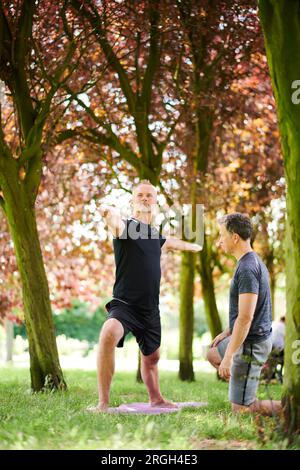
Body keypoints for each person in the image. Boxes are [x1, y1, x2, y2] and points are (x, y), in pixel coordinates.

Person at [89, 180, 201, 412]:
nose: (145, 199)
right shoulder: (127, 227)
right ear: (132, 201)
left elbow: (169, 243)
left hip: (150, 309)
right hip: (125, 305)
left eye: (149, 195)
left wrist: (194, 247)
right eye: (140, 195)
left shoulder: (153, 235)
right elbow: (114, 223)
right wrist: (108, 213)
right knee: (109, 332)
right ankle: (103, 403)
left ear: (156, 202)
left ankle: (156, 399)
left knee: (152, 358)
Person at [207, 213, 282, 416]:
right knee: (213, 352)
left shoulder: (248, 268)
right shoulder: (248, 261)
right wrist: (227, 332)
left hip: (251, 345)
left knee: (241, 410)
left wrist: (229, 357)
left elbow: (246, 317)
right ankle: (243, 384)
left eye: (222, 235)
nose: (219, 240)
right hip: (245, 337)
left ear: (235, 237)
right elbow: (248, 311)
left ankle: (291, 407)